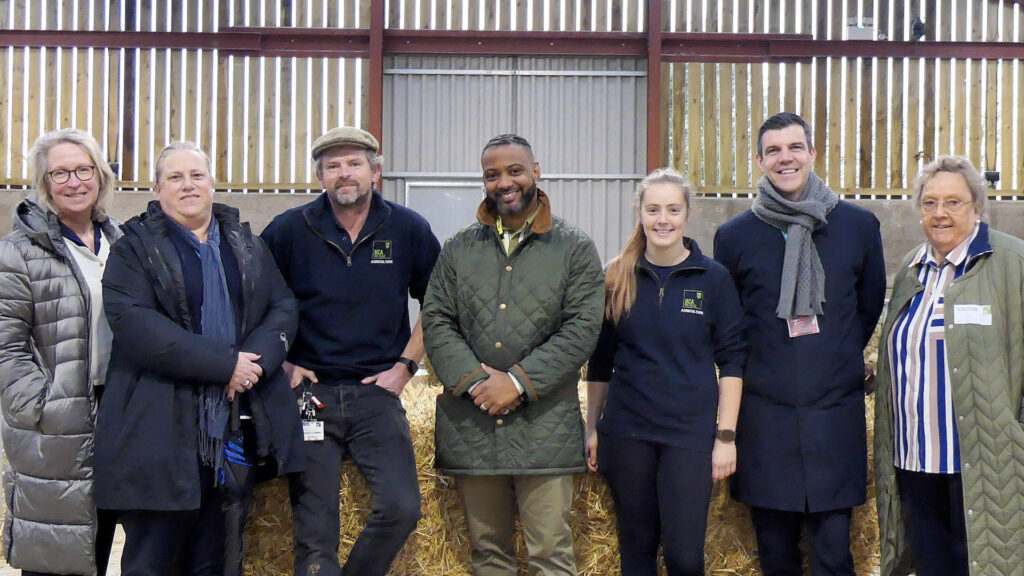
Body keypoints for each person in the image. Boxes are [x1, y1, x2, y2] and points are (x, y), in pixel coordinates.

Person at [94, 141, 305, 575]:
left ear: (212, 183)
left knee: (218, 558)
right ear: (157, 189)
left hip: (233, 428)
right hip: (157, 429)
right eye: (175, 177)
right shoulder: (133, 249)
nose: (188, 185)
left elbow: (282, 306)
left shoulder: (245, 243)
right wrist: (224, 365)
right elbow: (137, 327)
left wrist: (254, 365)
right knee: (152, 559)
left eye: (196, 175)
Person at [260, 126, 440, 576]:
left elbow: (439, 301)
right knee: (314, 531)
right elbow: (252, 301)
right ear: (319, 176)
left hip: (376, 393)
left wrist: (406, 365)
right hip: (309, 396)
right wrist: (281, 362)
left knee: (402, 508)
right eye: (333, 166)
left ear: (375, 171)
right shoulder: (288, 230)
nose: (345, 174)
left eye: (354, 163)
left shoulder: (407, 228)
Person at [422, 133, 604, 576]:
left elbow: (582, 328)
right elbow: (436, 319)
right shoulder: (460, 248)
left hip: (544, 427)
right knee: (488, 555)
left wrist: (518, 381)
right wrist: (477, 383)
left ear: (535, 173)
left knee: (550, 554)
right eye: (492, 174)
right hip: (474, 425)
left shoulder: (574, 248)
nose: (504, 182)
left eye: (514, 170)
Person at [713, 112, 886, 576]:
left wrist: (837, 355)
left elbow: (867, 307)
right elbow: (731, 325)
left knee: (834, 553)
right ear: (759, 161)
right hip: (765, 417)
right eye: (773, 150)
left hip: (834, 411)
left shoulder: (857, 226)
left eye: (794, 147)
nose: (785, 158)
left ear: (812, 153)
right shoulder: (735, 237)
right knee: (776, 554)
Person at [584, 168, 745, 576]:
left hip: (687, 436)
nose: (662, 219)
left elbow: (732, 362)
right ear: (639, 213)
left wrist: (725, 437)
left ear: (687, 214)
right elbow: (600, 361)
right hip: (627, 433)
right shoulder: (617, 274)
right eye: (653, 209)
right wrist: (593, 428)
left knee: (683, 557)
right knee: (636, 553)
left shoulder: (713, 279)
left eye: (673, 209)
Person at [874, 155, 1024, 576]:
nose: (940, 213)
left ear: (977, 207)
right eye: (929, 202)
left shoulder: (1011, 263)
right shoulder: (910, 268)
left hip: (982, 463)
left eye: (954, 202)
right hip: (916, 462)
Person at [0, 128, 120, 576]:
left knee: (99, 538)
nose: (74, 182)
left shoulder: (123, 243)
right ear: (45, 182)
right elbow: (5, 345)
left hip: (116, 409)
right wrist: (39, 403)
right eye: (60, 173)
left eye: (83, 169)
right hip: (55, 416)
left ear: (100, 175)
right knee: (53, 545)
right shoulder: (17, 253)